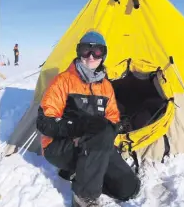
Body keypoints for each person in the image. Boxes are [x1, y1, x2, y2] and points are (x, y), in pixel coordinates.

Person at [36, 31, 141, 207]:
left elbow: (112, 119)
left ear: (103, 55)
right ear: (78, 52)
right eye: (86, 50)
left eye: (97, 52)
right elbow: (44, 123)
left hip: (95, 147)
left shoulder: (106, 86)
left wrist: (111, 129)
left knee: (128, 189)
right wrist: (79, 128)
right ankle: (84, 196)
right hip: (60, 147)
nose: (91, 56)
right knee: (99, 130)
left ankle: (79, 174)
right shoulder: (63, 81)